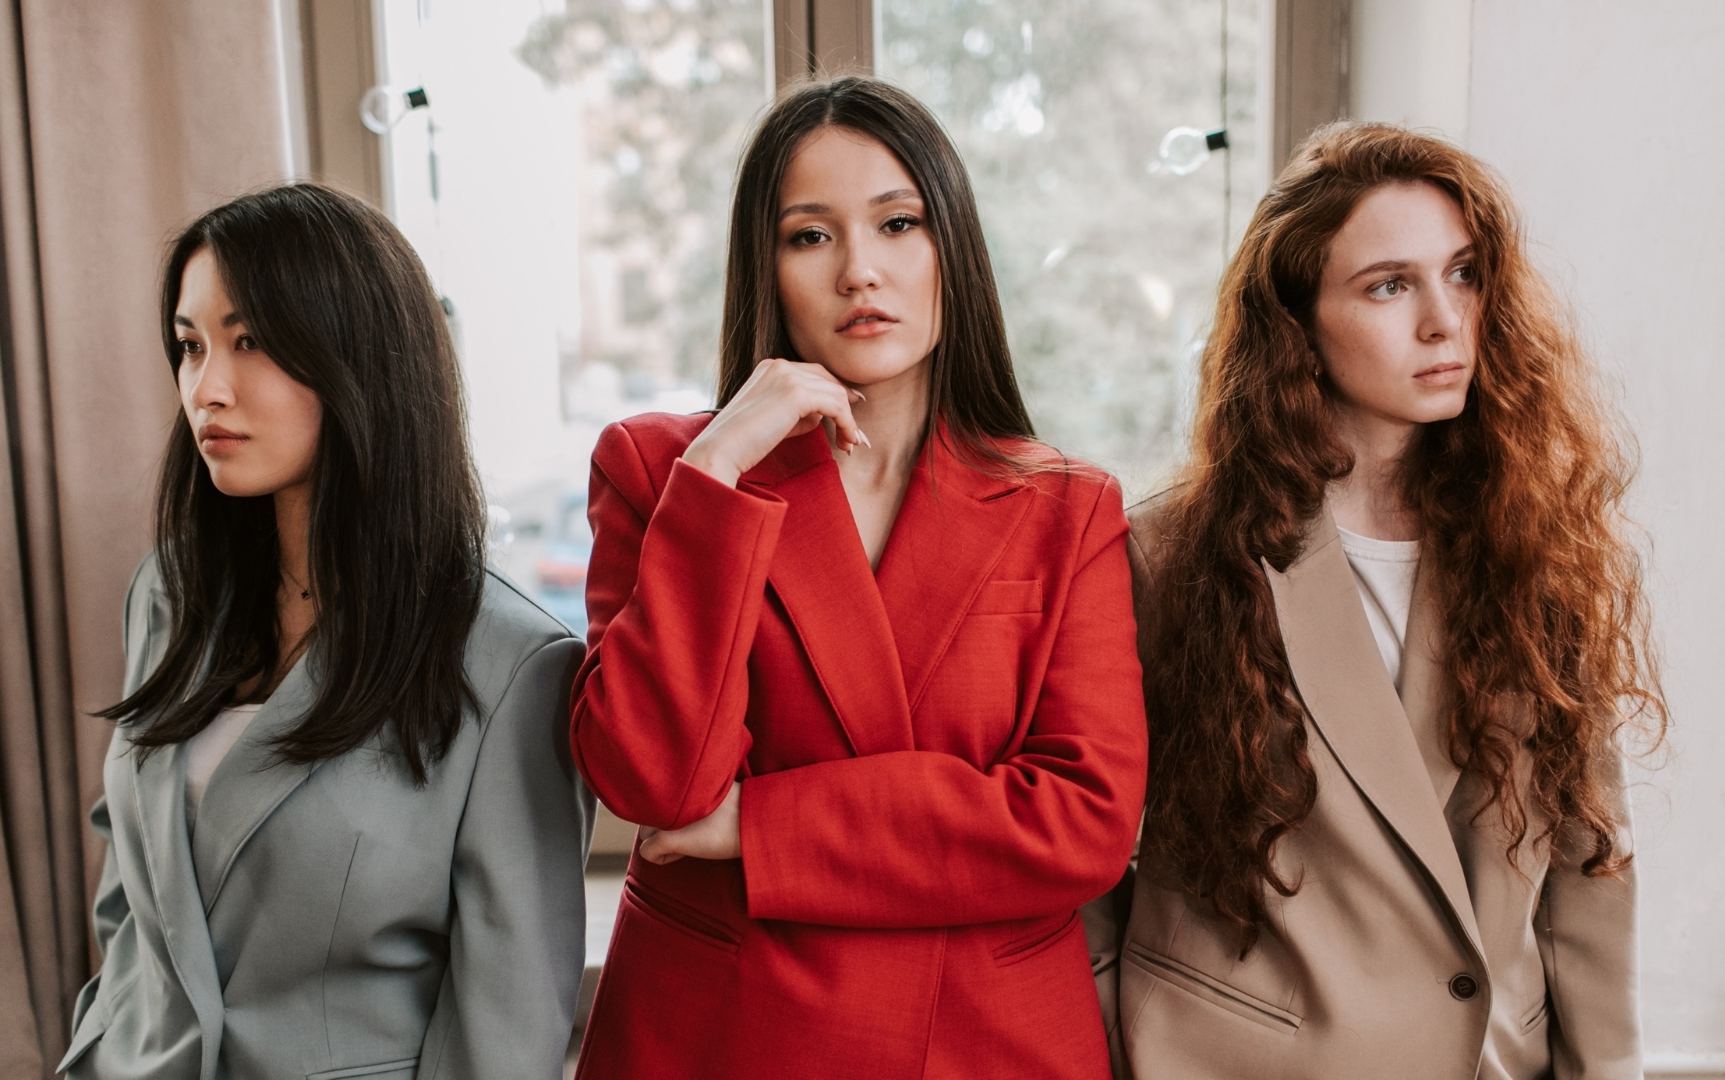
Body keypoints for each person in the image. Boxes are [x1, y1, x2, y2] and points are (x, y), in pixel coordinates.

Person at [568, 77, 1147, 1080]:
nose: (859, 273)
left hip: (983, 1042)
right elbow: (652, 779)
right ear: (768, 265)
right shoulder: (662, 471)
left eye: (898, 223)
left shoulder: (1067, 505)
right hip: (724, 1036)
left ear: (949, 249)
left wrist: (760, 827)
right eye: (810, 236)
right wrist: (715, 475)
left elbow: (1082, 823)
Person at [1104, 123, 1666, 1079]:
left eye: (1464, 273)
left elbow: (1588, 859)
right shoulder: (1168, 555)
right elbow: (1086, 840)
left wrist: (1608, 1069)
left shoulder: (1541, 546)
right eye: (1390, 285)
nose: (1445, 320)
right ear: (1298, 324)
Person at [60, 184, 593, 1080]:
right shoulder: (168, 594)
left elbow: (505, 1033)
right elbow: (133, 905)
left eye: (251, 341)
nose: (207, 387)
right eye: (190, 347)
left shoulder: (510, 665)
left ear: (361, 359)